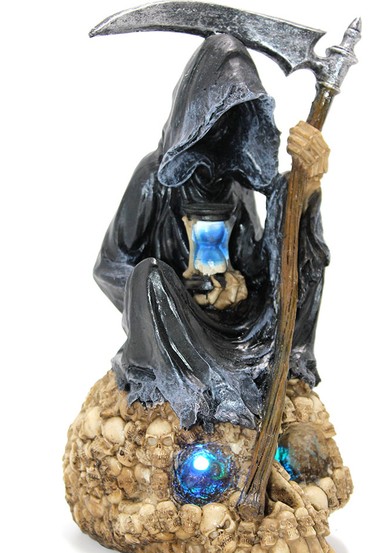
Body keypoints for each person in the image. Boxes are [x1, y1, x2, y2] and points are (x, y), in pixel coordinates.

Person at [94, 34, 329, 431]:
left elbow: (262, 265)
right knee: (148, 275)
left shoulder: (234, 183)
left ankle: (251, 380)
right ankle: (199, 389)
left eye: (235, 117)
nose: (221, 131)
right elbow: (111, 267)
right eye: (216, 117)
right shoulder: (154, 178)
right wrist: (170, 300)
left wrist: (302, 191)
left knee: (298, 228)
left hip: (237, 328)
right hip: (177, 332)